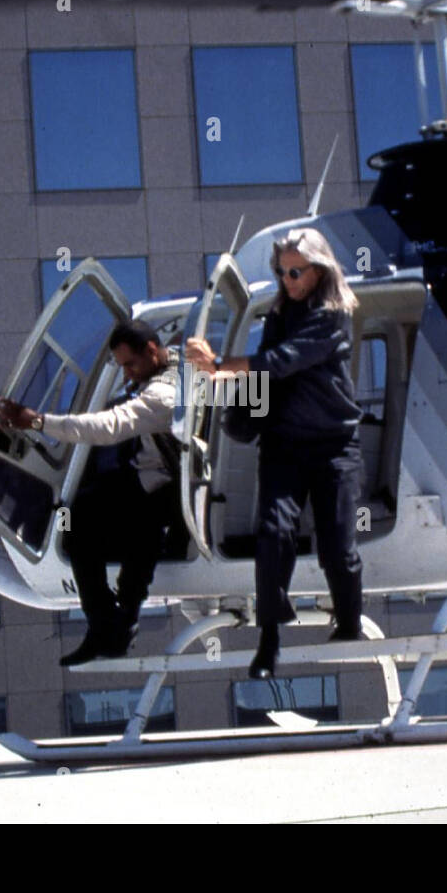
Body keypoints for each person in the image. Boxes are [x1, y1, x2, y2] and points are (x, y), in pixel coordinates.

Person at [186, 227, 364, 679]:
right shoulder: (279, 315)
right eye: (281, 271)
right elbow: (267, 375)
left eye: (295, 271)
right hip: (284, 446)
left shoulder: (333, 316)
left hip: (333, 447)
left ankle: (348, 623)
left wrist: (221, 367)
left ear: (318, 269)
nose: (287, 279)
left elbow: (281, 361)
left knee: (338, 546)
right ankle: (269, 640)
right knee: (272, 533)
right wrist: (233, 398)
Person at [0, 320, 182, 666]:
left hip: (166, 487)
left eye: (130, 364)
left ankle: (115, 622)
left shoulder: (163, 395)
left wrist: (37, 421)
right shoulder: (177, 365)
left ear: (152, 351)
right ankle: (110, 623)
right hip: (148, 475)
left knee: (99, 525)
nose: (126, 373)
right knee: (81, 514)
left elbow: (109, 427)